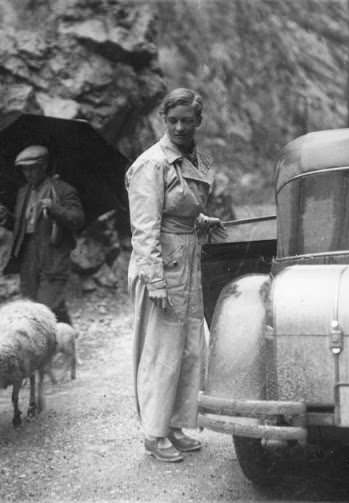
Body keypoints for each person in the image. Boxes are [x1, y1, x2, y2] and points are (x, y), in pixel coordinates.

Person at [126, 88, 225, 463]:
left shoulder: (192, 159)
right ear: (163, 122)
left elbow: (178, 207)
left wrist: (200, 220)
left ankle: (177, 424)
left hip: (188, 257)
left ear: (199, 121)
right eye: (173, 121)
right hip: (163, 266)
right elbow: (145, 226)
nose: (181, 127)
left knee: (187, 347)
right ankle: (154, 432)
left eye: (188, 120)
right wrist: (154, 281)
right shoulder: (152, 165)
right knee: (161, 351)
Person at [3, 144, 85, 325]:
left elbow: (78, 219)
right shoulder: (23, 192)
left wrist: (55, 209)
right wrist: (6, 220)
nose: (28, 174)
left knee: (44, 307)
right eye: (24, 169)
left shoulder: (63, 190)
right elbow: (24, 226)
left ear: (43, 166)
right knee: (33, 306)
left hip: (53, 255)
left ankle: (59, 343)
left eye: (32, 169)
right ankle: (66, 339)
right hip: (29, 257)